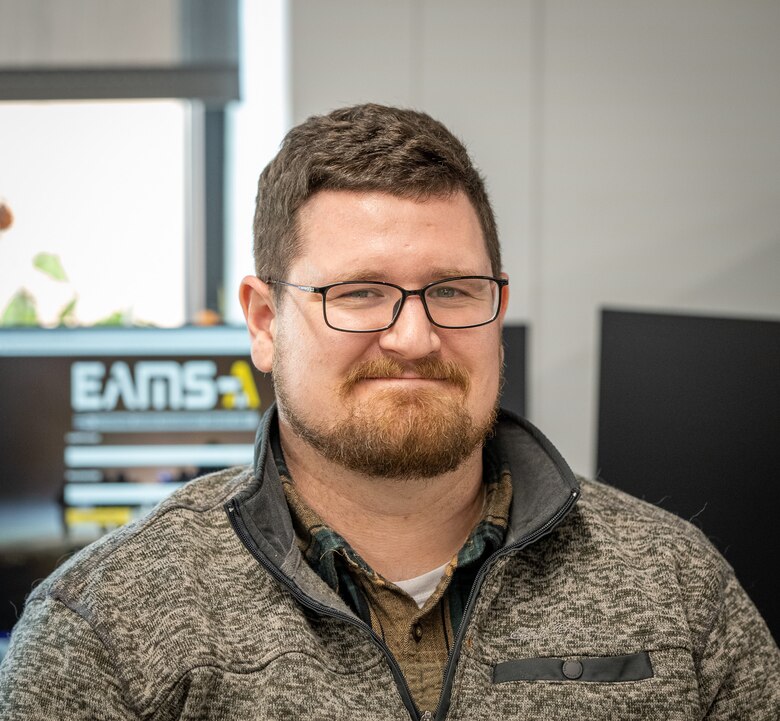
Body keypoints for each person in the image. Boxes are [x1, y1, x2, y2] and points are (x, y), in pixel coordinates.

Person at [0, 104, 777, 720]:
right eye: (360, 293)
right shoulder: (104, 628)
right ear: (265, 322)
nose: (414, 336)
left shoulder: (676, 587)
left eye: (453, 290)